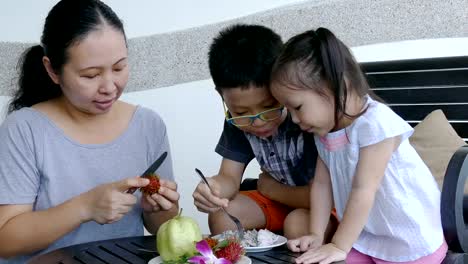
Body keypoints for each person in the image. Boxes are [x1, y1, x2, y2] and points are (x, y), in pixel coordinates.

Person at [0, 0, 179, 262]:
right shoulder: (24, 129)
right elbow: (5, 239)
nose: (109, 86)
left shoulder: (148, 125)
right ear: (53, 70)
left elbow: (158, 228)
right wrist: (85, 207)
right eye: (90, 75)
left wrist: (161, 209)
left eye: (119, 67)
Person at [270, 27, 447, 264]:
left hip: (410, 239)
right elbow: (322, 185)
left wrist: (338, 245)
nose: (293, 119)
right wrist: (317, 233)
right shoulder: (325, 132)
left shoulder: (375, 124)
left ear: (335, 85)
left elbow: (364, 189)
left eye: (298, 107)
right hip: (368, 238)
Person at [192, 24, 337, 239]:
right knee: (222, 218)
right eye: (241, 111)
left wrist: (273, 190)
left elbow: (329, 194)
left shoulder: (307, 117)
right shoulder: (237, 122)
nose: (258, 121)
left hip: (322, 207)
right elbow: (229, 177)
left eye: (269, 106)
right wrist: (213, 190)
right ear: (221, 96)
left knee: (297, 224)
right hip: (279, 202)